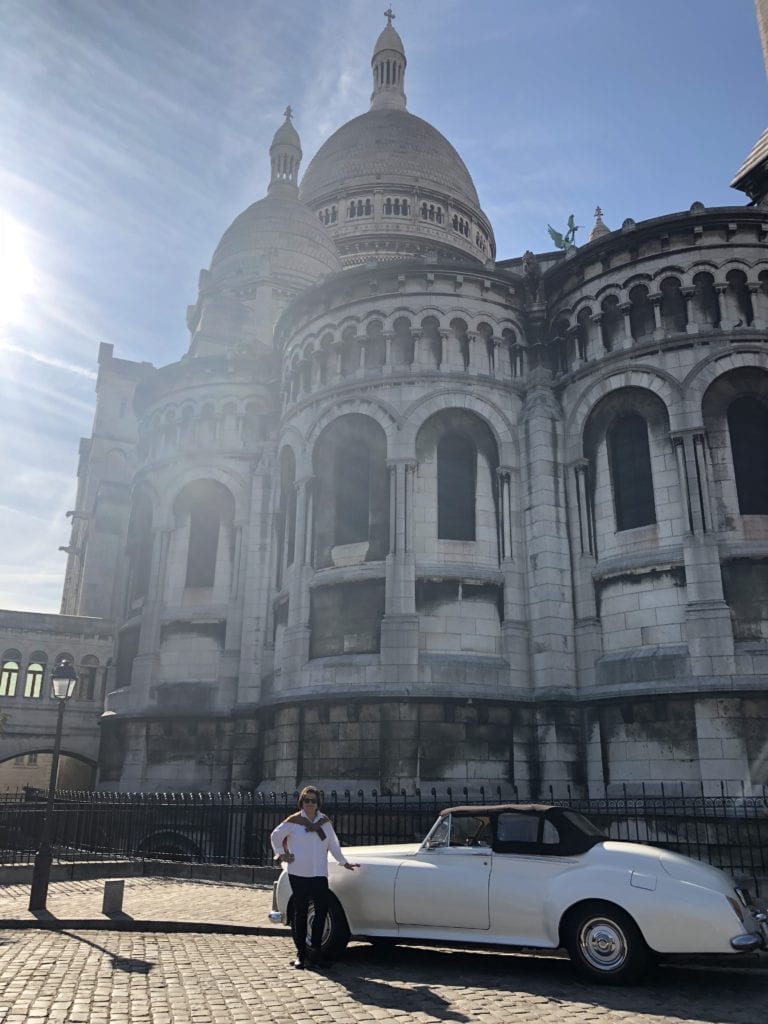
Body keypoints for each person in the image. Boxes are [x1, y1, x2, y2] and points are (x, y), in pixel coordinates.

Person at [270, 786, 357, 969]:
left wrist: (343, 862)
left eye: (313, 800)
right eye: (307, 800)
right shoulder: (294, 821)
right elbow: (276, 835)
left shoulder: (324, 822)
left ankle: (315, 951)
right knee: (300, 913)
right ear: (302, 802)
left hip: (319, 873)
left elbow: (333, 844)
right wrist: (281, 854)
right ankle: (301, 954)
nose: (310, 803)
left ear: (318, 803)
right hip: (299, 873)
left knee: (321, 911)